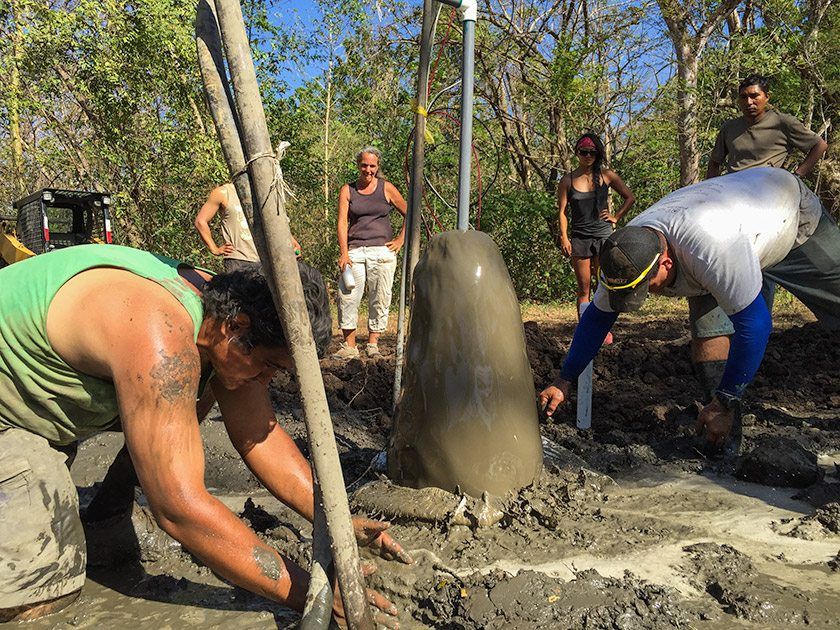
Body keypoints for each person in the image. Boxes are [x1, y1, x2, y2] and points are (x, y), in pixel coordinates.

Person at [0, 244, 410, 624]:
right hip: (11, 421)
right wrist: (313, 593)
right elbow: (179, 509)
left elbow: (259, 437)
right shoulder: (159, 334)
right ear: (237, 327)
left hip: (38, 406)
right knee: (40, 588)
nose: (267, 380)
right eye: (268, 366)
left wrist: (337, 522)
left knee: (192, 396)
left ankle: (104, 519)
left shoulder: (217, 316)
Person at [538, 168, 839, 452]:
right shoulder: (625, 252)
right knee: (709, 333)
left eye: (649, 286)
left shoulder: (711, 249)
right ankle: (724, 439)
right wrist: (564, 380)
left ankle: (723, 408)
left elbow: (756, 325)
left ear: (666, 261)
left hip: (790, 216)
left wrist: (728, 400)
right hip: (726, 243)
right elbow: (596, 319)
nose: (648, 295)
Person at [696, 74, 829, 397]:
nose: (749, 102)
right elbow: (715, 162)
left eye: (754, 96)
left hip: (772, 207)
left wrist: (796, 176)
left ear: (766, 97)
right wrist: (708, 192)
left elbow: (818, 145)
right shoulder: (729, 129)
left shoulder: (781, 123)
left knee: (784, 270)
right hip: (733, 207)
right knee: (744, 281)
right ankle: (740, 363)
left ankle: (758, 344)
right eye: (743, 97)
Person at [558, 134, 634, 344]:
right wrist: (564, 238)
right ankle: (585, 330)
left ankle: (602, 330)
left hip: (603, 236)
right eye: (584, 152)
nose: (588, 156)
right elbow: (562, 212)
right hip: (580, 238)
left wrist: (616, 217)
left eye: (592, 152)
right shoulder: (567, 180)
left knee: (604, 285)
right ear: (577, 153)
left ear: (598, 153)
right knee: (584, 288)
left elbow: (629, 197)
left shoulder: (606, 176)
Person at [334, 147, 407, 359]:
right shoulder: (348, 190)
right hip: (355, 249)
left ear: (377, 167)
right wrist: (344, 253)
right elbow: (341, 222)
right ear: (358, 165)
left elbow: (409, 212)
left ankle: (373, 344)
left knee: (380, 296)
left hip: (382, 251)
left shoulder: (387, 188)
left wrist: (401, 240)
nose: (368, 170)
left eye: (372, 166)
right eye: (364, 165)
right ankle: (350, 345)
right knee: (346, 294)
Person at [194, 182, 301, 272]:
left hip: (268, 262)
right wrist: (214, 249)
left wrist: (290, 241)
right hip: (239, 261)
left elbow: (276, 224)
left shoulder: (266, 194)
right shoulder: (224, 192)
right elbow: (200, 221)